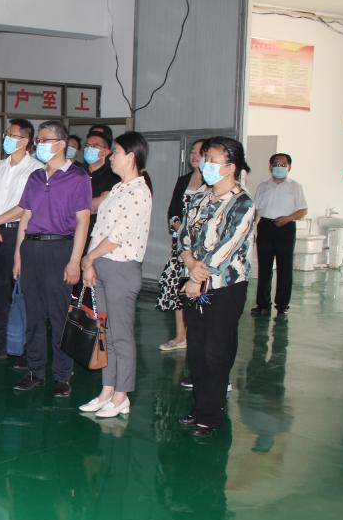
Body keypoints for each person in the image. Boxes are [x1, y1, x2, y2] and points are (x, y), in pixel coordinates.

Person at [178, 136, 256, 437]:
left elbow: (227, 248)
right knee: (197, 349)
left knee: (216, 350)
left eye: (212, 160)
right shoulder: (199, 198)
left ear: (231, 166)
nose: (205, 164)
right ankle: (199, 406)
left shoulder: (243, 203)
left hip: (224, 288)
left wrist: (197, 278)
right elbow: (183, 237)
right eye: (205, 158)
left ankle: (211, 413)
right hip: (194, 282)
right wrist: (189, 262)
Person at [12, 121, 92, 396]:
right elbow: (26, 216)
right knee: (33, 314)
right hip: (31, 248)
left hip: (59, 248)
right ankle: (35, 371)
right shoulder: (34, 177)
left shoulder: (78, 177)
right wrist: (18, 255)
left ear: (61, 144)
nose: (40, 145)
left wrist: (74, 260)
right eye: (39, 140)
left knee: (59, 316)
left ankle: (62, 375)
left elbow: (83, 221)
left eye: (45, 140)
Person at [78, 132, 153, 418]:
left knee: (121, 336)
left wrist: (89, 258)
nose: (111, 157)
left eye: (117, 152)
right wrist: (90, 264)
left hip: (121, 268)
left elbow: (118, 235)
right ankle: (107, 390)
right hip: (101, 265)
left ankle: (122, 395)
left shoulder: (139, 192)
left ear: (131, 157)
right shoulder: (119, 188)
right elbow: (99, 230)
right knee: (105, 334)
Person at [0, 118, 42, 362]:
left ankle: (24, 348)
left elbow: (25, 205)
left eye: (12, 135)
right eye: (6, 134)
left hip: (19, 233)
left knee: (22, 292)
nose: (7, 138)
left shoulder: (36, 169)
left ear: (25, 140)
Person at [157, 139, 205, 351]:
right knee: (179, 288)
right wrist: (177, 224)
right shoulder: (184, 179)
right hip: (181, 244)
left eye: (200, 152)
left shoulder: (213, 183)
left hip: (201, 247)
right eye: (193, 151)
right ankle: (180, 336)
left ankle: (197, 336)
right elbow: (173, 209)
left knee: (198, 291)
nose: (195, 156)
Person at [251, 152, 307, 317]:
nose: (279, 167)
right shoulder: (262, 186)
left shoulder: (295, 187)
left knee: (285, 268)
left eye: (283, 165)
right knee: (264, 268)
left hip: (286, 228)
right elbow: (255, 210)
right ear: (270, 166)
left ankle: (282, 305)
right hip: (265, 227)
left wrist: (288, 218)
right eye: (276, 164)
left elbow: (303, 210)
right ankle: (263, 304)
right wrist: (251, 230)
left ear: (289, 167)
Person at [82, 128, 119, 244]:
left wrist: (74, 206)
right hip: (74, 234)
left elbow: (100, 204)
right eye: (87, 145)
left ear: (106, 152)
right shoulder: (78, 173)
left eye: (94, 146)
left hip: (98, 237)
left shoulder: (113, 176)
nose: (89, 149)